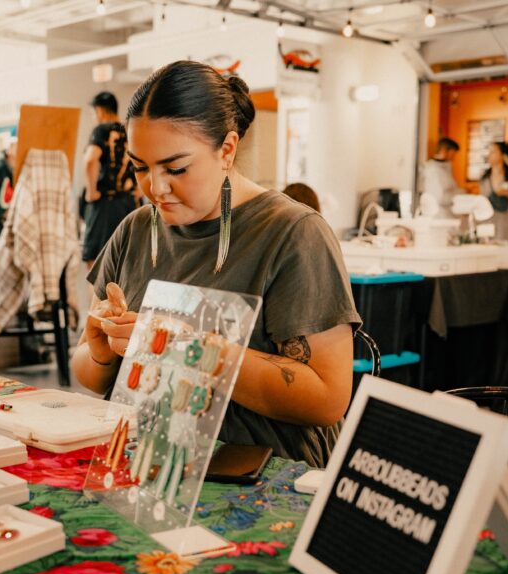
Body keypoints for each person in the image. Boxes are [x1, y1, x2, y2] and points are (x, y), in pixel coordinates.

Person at [72, 61, 361, 468]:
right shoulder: (135, 230)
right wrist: (101, 351)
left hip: (256, 470)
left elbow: (327, 399)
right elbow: (87, 369)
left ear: (227, 149)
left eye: (176, 168)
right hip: (146, 460)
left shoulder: (294, 234)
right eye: (140, 167)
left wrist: (188, 349)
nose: (156, 189)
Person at [82, 91, 137, 269]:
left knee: (96, 265)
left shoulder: (101, 130)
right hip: (129, 204)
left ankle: (101, 299)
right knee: (125, 262)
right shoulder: (129, 130)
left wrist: (91, 192)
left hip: (105, 205)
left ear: (100, 111)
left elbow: (90, 160)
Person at [478, 141, 508, 246]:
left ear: (502, 155)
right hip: (487, 220)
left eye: (493, 152)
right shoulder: (484, 177)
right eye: (489, 152)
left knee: (506, 251)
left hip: (505, 220)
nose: (489, 155)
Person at [419, 137, 460, 216]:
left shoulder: (446, 167)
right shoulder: (432, 170)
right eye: (453, 154)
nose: (453, 158)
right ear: (444, 150)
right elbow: (440, 198)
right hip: (438, 215)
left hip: (447, 214)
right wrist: (459, 194)